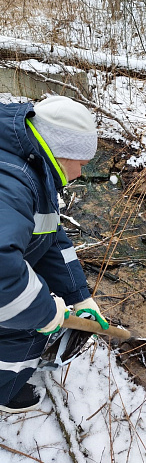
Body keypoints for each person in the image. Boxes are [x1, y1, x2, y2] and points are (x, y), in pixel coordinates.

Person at [0, 96, 109, 413]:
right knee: (27, 325)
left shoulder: (26, 165)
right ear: (64, 151)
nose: (79, 174)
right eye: (82, 164)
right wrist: (47, 313)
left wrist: (78, 295)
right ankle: (5, 392)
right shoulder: (13, 183)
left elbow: (49, 234)